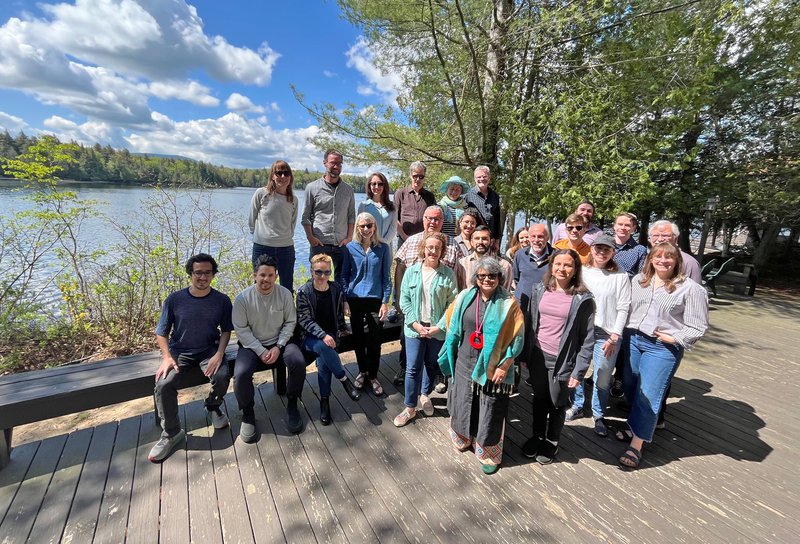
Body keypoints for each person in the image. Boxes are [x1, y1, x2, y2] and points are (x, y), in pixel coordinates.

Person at [615, 243, 708, 469]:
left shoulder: (690, 288)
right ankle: (634, 426)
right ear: (651, 259)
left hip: (661, 347)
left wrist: (676, 338)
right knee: (630, 386)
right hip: (634, 340)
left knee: (650, 393)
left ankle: (636, 445)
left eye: (669, 257)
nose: (663, 260)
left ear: (677, 261)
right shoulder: (639, 281)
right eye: (658, 256)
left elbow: (698, 325)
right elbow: (626, 308)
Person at [438, 256, 524, 474]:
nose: (487, 279)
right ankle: (463, 436)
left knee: (491, 407)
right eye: (482, 276)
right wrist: (432, 330)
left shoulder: (509, 304)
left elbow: (518, 337)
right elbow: (448, 319)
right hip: (464, 359)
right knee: (463, 400)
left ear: (499, 277)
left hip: (494, 365)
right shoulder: (465, 296)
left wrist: (505, 365)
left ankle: (488, 452)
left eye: (492, 276)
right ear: (476, 278)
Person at [149, 254, 233, 462]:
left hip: (209, 350)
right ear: (191, 274)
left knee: (222, 375)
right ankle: (171, 432)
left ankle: (212, 406)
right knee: (163, 384)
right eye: (198, 272)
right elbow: (161, 332)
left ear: (213, 274)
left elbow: (226, 331)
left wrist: (219, 354)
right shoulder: (175, 299)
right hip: (180, 352)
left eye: (207, 272)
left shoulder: (222, 300)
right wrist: (167, 357)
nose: (202, 277)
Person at [522, 249, 595, 464]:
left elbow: (587, 339)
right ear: (551, 266)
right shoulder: (540, 290)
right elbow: (530, 324)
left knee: (557, 401)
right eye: (558, 264)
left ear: (575, 270)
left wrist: (579, 370)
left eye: (568, 265)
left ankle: (552, 440)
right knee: (539, 398)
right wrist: (524, 353)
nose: (562, 269)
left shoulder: (582, 299)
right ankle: (537, 435)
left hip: (562, 360)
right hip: (537, 355)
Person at [232, 255, 308, 440]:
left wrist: (279, 346)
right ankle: (248, 412)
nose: (266, 279)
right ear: (254, 276)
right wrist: (261, 350)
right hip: (252, 345)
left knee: (298, 362)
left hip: (280, 342)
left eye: (270, 275)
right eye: (262, 275)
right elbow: (241, 330)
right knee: (241, 374)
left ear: (276, 276)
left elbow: (290, 322)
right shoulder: (243, 299)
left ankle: (292, 403)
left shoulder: (284, 294)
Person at [564, 235, 631, 437]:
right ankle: (577, 404)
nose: (602, 253)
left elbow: (624, 307)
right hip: (581, 329)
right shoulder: (581, 272)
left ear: (613, 252)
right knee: (577, 368)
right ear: (591, 249)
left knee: (603, 374)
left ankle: (599, 413)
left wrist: (615, 336)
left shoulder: (621, 276)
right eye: (598, 248)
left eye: (607, 250)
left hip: (606, 333)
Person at [394, 232, 458, 428]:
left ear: (442, 251)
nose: (433, 251)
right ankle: (410, 407)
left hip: (436, 330)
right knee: (413, 367)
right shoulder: (412, 271)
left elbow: (452, 304)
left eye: (437, 248)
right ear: (423, 248)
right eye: (430, 247)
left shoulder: (448, 274)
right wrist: (414, 323)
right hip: (414, 328)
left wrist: (438, 326)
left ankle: (424, 395)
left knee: (431, 364)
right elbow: (404, 299)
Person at [392, 205, 459, 386]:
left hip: (440, 303)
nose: (432, 222)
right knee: (407, 340)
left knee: (436, 346)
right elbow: (399, 267)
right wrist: (397, 297)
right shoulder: (411, 241)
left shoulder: (452, 244)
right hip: (413, 303)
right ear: (423, 220)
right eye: (429, 218)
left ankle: (436, 374)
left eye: (437, 219)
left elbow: (459, 273)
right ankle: (405, 367)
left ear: (442, 222)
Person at [296, 254, 362, 426]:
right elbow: (304, 320)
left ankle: (324, 401)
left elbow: (340, 306)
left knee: (325, 361)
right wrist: (322, 335)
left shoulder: (335, 289)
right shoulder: (304, 292)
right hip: (309, 337)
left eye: (327, 272)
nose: (323, 276)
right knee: (325, 348)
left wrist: (342, 327)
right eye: (318, 272)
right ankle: (344, 380)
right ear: (311, 271)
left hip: (331, 334)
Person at [342, 212, 392, 396]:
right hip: (354, 299)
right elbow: (344, 276)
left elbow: (386, 277)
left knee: (374, 339)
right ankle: (362, 371)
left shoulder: (383, 248)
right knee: (358, 339)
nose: (366, 229)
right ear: (357, 228)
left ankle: (373, 375)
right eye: (362, 226)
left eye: (369, 225)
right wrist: (345, 299)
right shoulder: (350, 248)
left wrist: (385, 301)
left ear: (374, 227)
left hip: (374, 300)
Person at [302, 149, 356, 284]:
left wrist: (349, 238)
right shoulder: (312, 188)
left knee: (342, 281)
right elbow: (306, 217)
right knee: (317, 280)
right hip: (319, 243)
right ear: (325, 163)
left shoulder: (348, 190)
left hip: (341, 244)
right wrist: (310, 238)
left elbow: (351, 216)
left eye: (340, 164)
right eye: (333, 163)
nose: (337, 166)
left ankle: (340, 305)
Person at [249, 160, 299, 293]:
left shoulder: (293, 199)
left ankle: (285, 314)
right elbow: (251, 219)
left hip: (286, 249)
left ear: (290, 177)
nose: (283, 177)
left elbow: (292, 223)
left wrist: (284, 238)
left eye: (286, 173)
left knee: (286, 287)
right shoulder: (261, 193)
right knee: (260, 286)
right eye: (279, 173)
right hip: (262, 247)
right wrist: (262, 236)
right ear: (272, 176)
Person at [455, 225, 512, 291]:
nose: (480, 242)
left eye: (484, 239)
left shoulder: (504, 265)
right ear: (471, 242)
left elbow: (505, 294)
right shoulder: (462, 264)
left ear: (491, 241)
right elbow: (457, 292)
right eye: (477, 238)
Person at [394, 161, 435, 247]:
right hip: (404, 240)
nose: (418, 179)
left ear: (424, 177)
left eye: (421, 176)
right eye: (415, 176)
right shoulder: (400, 193)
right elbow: (394, 218)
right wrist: (405, 237)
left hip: (423, 241)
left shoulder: (430, 196)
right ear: (410, 176)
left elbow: (433, 219)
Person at [512, 223, 553, 310]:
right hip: (521, 305)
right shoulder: (520, 254)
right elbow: (516, 278)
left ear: (547, 237)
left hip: (545, 307)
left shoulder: (556, 256)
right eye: (533, 236)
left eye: (540, 236)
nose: (536, 240)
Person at [465, 165, 503, 247]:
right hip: (475, 239)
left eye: (484, 176)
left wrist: (497, 240)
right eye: (479, 177)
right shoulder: (468, 196)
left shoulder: (495, 196)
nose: (482, 179)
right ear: (475, 179)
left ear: (489, 178)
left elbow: (497, 219)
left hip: (490, 240)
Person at [357, 172, 397, 248]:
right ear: (369, 186)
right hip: (368, 247)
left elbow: (393, 228)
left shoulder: (393, 207)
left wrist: (384, 243)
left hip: (386, 247)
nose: (376, 187)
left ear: (384, 186)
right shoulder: (363, 206)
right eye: (373, 184)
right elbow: (359, 228)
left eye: (380, 184)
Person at [612, 212, 647, 277]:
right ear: (614, 226)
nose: (623, 228)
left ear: (634, 228)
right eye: (620, 224)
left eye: (627, 225)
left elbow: (641, 276)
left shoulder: (639, 250)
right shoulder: (603, 246)